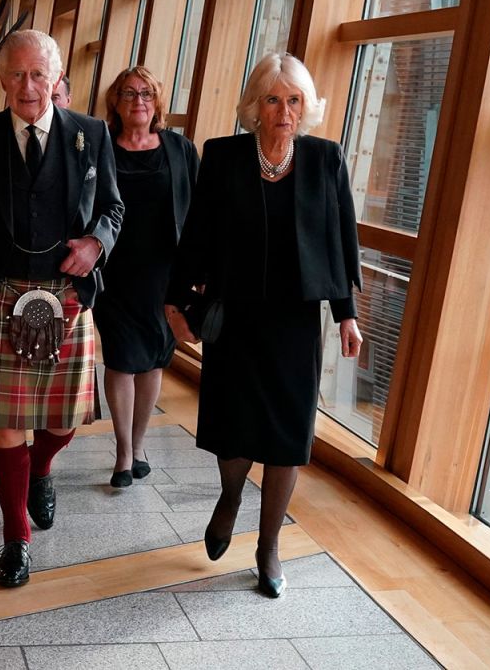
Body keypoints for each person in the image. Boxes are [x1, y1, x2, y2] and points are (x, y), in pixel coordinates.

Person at [165, 52, 362, 599]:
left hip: (296, 321)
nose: (283, 111)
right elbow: (197, 234)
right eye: (273, 100)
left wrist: (347, 315)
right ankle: (230, 496)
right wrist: (175, 302)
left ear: (306, 107)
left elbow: (341, 241)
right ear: (255, 106)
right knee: (235, 423)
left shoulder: (325, 159)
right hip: (238, 316)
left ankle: (269, 544)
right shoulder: (224, 157)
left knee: (287, 437)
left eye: (294, 100)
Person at [0, 29, 123, 588]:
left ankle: (42, 469)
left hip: (66, 295)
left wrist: (97, 244)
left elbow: (113, 207)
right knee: (8, 424)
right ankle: (16, 538)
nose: (28, 86)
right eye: (16, 74)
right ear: (1, 80)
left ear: (58, 77)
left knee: (63, 420)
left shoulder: (90, 135)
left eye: (39, 74)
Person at [93, 67, 197, 488]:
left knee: (154, 358)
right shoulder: (100, 146)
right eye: (129, 93)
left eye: (147, 93)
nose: (139, 100)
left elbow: (199, 214)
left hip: (165, 274)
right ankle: (121, 453)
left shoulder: (179, 148)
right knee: (121, 358)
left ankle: (139, 445)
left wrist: (199, 272)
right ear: (115, 102)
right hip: (114, 273)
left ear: (157, 102)